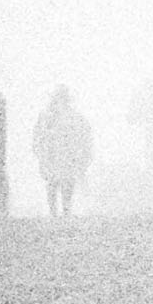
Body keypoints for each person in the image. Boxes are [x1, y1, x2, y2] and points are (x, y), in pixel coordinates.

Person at [32, 84, 93, 217]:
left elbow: (84, 136)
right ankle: (55, 211)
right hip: (53, 154)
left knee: (65, 182)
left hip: (65, 154)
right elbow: (38, 136)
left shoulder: (73, 116)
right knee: (54, 182)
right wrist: (40, 151)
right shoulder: (47, 116)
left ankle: (64, 211)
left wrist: (83, 154)